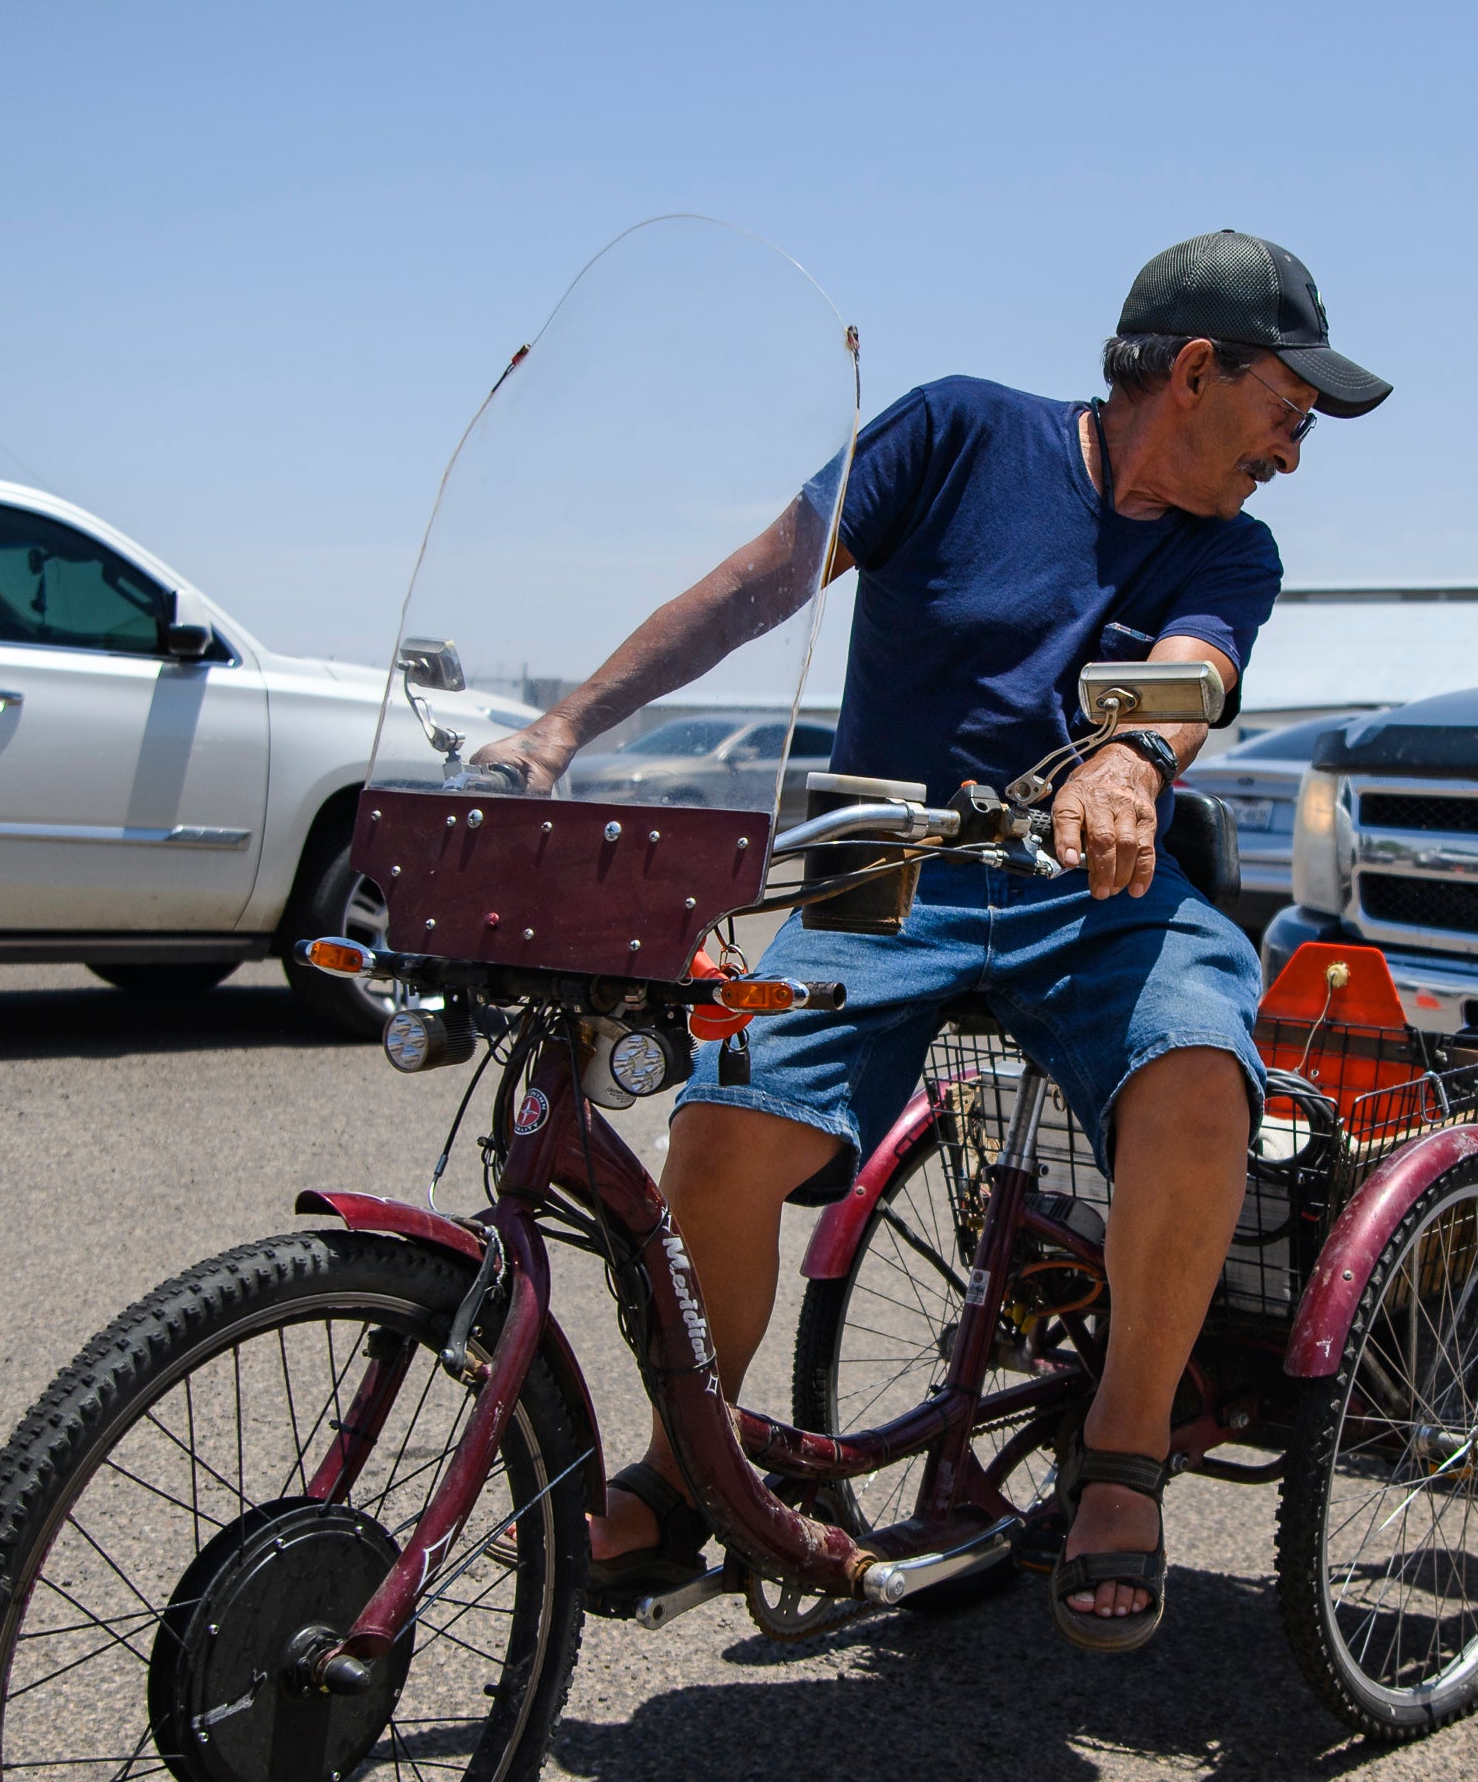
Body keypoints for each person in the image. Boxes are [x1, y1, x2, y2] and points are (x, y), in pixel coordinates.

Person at [476, 230, 1388, 1651]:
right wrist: (561, 729)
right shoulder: (959, 431)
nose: (1295, 450)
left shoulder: (1232, 550)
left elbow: (1195, 673)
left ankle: (1125, 1454)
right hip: (886, 872)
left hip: (1093, 888)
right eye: (1290, 409)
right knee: (720, 1134)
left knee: (1204, 1064)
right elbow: (758, 583)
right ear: (1198, 372)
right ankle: (687, 1457)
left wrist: (1129, 764)